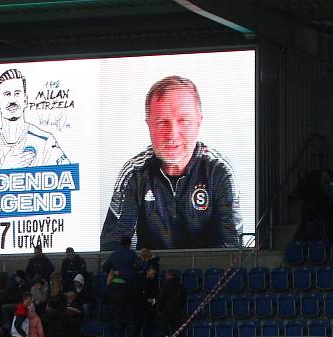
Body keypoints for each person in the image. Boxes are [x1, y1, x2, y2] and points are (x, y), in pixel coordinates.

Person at [100, 75, 242, 250]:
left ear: (199, 122)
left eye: (183, 121)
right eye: (162, 122)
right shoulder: (134, 172)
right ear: (149, 125)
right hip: (148, 272)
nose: (172, 134)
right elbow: (114, 244)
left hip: (207, 274)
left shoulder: (219, 170)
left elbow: (232, 245)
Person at [0, 68, 69, 171]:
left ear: (25, 100)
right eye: (7, 94)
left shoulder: (46, 142)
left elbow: (71, 181)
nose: (12, 100)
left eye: (17, 93)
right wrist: (6, 168)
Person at [156, 268, 186, 337]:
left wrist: (159, 310)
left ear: (168, 275)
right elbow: (183, 299)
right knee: (176, 331)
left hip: (166, 311)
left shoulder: (165, 285)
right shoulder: (180, 285)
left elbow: (161, 298)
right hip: (177, 311)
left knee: (164, 330)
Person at [133, 264, 159, 337]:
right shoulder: (139, 281)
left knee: (147, 328)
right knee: (138, 327)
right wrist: (147, 299)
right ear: (147, 272)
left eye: (154, 274)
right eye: (152, 273)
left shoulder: (153, 282)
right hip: (139, 308)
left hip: (148, 309)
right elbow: (136, 294)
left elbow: (156, 294)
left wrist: (153, 300)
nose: (153, 275)